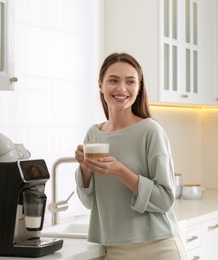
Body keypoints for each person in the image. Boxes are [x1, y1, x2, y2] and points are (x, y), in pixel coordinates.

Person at [74, 52, 186, 260]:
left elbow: (165, 200)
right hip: (115, 249)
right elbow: (88, 201)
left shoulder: (150, 131)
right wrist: (85, 166)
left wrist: (120, 171)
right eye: (113, 81)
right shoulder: (94, 134)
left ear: (139, 87)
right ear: (100, 85)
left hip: (157, 248)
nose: (121, 89)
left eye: (130, 81)